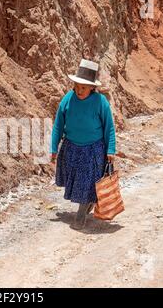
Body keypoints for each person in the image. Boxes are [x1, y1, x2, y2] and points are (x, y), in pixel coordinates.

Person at [51, 59, 116, 229]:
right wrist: (53, 149)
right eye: (77, 86)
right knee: (78, 181)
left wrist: (111, 149)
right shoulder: (67, 99)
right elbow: (58, 125)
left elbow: (109, 127)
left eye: (84, 87)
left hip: (93, 148)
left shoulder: (100, 102)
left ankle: (80, 215)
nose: (79, 90)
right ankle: (88, 202)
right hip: (71, 147)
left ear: (92, 88)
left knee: (84, 181)